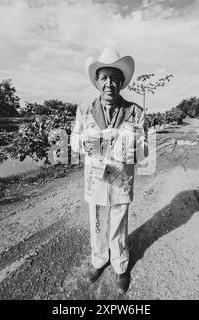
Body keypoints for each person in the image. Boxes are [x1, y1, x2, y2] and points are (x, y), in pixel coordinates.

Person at [70, 48, 148, 294]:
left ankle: (120, 265)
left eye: (114, 78)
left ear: (122, 82)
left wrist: (133, 147)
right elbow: (73, 142)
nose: (109, 83)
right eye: (104, 78)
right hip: (95, 179)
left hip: (121, 179)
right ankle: (98, 260)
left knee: (118, 225)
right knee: (96, 224)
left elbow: (144, 151)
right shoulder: (84, 110)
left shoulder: (135, 111)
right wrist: (85, 142)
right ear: (97, 81)